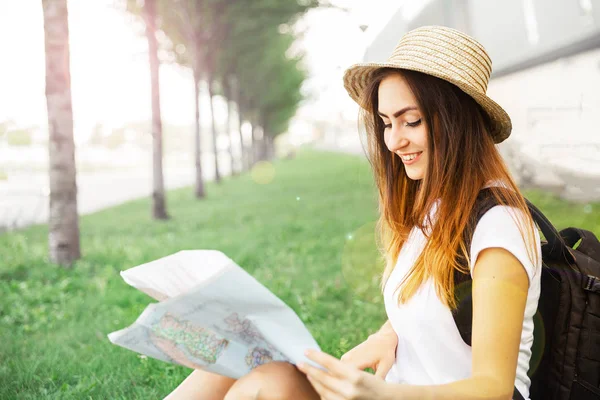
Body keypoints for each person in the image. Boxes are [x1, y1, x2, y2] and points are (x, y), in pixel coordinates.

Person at [164, 25, 541, 400]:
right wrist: (387, 335)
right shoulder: (435, 210)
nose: (394, 141)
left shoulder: (498, 226)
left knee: (264, 384)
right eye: (387, 123)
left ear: (458, 120)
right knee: (232, 361)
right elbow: (439, 305)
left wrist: (379, 394)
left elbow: (494, 389)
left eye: (412, 121)